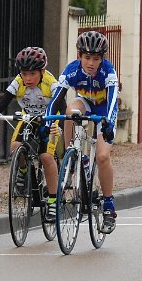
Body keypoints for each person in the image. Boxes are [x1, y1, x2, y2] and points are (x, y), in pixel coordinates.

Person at [47, 30, 120, 234]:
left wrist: (108, 123)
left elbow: (113, 101)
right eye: (87, 57)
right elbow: (56, 99)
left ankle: (108, 206)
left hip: (105, 110)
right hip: (86, 102)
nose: (91, 63)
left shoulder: (108, 71)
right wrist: (48, 120)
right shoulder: (71, 70)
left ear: (102, 58)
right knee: (70, 111)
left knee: (103, 156)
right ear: (79, 55)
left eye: (96, 58)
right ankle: (72, 155)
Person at [0, 47, 60, 222]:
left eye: (32, 74)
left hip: (49, 119)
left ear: (42, 71)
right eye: (24, 73)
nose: (27, 78)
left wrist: (56, 125)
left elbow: (62, 105)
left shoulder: (51, 83)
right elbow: (2, 103)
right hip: (28, 117)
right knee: (15, 146)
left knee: (46, 157)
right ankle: (23, 172)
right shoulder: (18, 81)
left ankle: (53, 200)